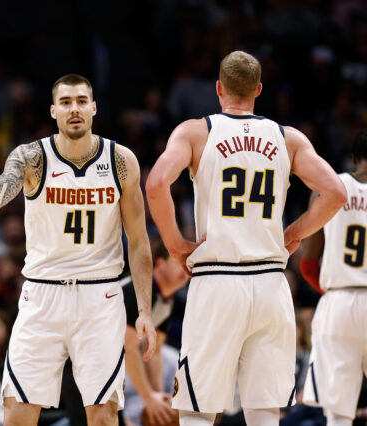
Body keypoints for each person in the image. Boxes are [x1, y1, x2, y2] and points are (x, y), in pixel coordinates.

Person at [145, 51, 347, 426]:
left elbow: (156, 184)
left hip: (217, 280)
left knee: (197, 410)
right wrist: (295, 233)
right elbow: (335, 192)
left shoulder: (195, 132)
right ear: (258, 90)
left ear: (218, 88)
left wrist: (174, 245)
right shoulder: (289, 138)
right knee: (265, 412)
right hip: (271, 284)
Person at [0, 74, 157, 426]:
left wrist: (146, 310)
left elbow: (138, 241)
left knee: (103, 416)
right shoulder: (32, 157)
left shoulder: (121, 161)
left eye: (80, 101)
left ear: (93, 108)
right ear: (53, 110)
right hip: (42, 295)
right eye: (65, 102)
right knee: (17, 413)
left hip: (99, 298)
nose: (73, 109)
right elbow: (1, 190)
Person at [301, 130, 367, 426]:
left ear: (355, 157)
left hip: (338, 301)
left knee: (338, 414)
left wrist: (334, 293)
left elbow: (308, 264)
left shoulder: (330, 187)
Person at [122, 244, 189, 425]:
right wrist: (148, 397)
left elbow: (154, 351)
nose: (186, 269)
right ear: (160, 263)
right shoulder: (138, 290)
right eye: (179, 263)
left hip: (110, 366)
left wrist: (159, 396)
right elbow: (129, 348)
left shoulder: (167, 301)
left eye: (189, 264)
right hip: (81, 360)